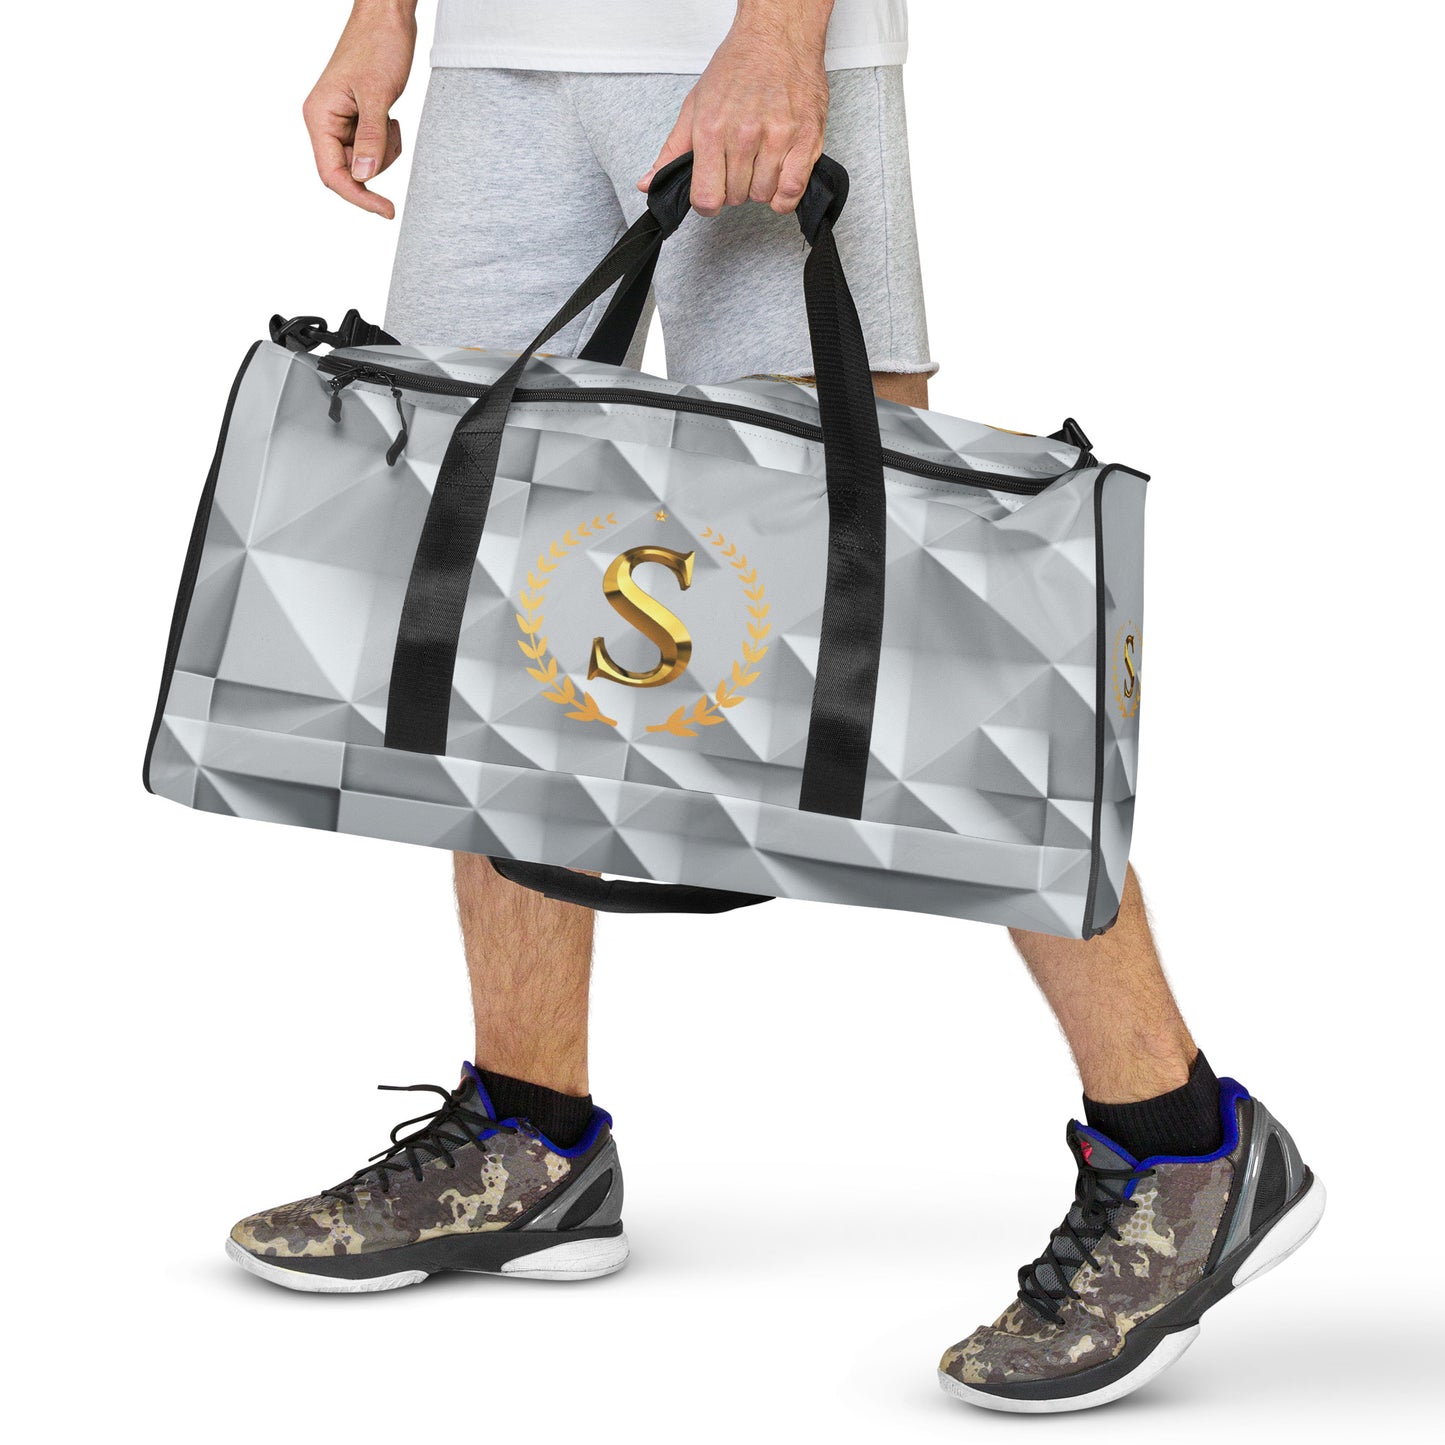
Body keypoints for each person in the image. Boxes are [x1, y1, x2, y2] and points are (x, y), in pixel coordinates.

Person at [225, 0, 1323, 1413]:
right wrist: (384, 15)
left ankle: (1181, 1141)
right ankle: (529, 1135)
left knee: (921, 600)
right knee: (500, 581)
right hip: (500, 57)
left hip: (737, 46)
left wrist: (781, 33)